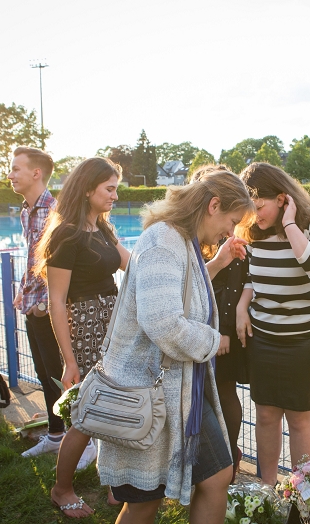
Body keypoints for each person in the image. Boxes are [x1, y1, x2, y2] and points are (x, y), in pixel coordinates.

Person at [96, 168, 252, 524]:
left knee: (217, 476)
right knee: (143, 504)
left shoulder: (181, 239)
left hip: (180, 394)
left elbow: (183, 290)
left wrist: (219, 261)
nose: (231, 232)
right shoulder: (162, 241)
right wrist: (213, 339)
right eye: (232, 221)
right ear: (214, 205)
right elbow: (163, 323)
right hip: (147, 394)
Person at [33, 157, 131, 517]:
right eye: (109, 189)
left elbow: (133, 266)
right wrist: (69, 360)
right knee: (87, 415)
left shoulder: (101, 229)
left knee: (115, 407)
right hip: (86, 329)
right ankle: (62, 489)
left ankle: (114, 484)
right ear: (88, 189)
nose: (115, 196)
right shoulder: (67, 235)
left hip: (112, 324)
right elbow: (57, 301)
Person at [236, 162, 310, 488]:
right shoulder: (252, 231)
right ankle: (266, 490)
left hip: (307, 340)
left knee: (300, 417)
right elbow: (250, 275)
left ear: (282, 198)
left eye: (258, 206)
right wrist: (242, 305)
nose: (253, 216)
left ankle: (302, 495)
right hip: (264, 338)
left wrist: (291, 224)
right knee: (265, 415)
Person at [192, 166, 250, 484]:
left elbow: (233, 286)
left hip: (219, 330)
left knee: (225, 393)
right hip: (201, 330)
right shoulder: (196, 235)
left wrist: (223, 331)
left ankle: (228, 456)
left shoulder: (227, 237)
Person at [7, 146, 66, 456]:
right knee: (44, 372)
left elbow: (59, 265)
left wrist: (44, 306)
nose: (10, 175)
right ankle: (57, 434)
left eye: (16, 168)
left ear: (36, 173)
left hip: (47, 309)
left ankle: (64, 437)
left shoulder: (53, 212)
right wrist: (23, 290)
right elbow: (33, 258)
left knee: (56, 373)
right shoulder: (27, 210)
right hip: (33, 305)